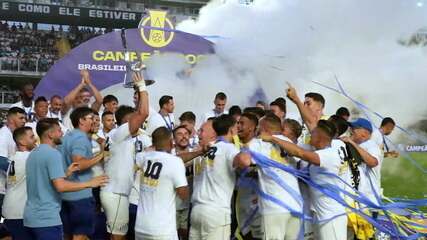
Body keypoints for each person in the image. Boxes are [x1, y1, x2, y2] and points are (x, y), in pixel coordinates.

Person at [259, 120, 348, 240]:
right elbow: (295, 147)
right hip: (320, 215)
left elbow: (299, 152)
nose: (310, 135)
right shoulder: (318, 150)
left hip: (332, 217)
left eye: (314, 133)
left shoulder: (329, 154)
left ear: (320, 137)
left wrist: (273, 138)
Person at [23, 118, 108, 240]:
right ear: (50, 134)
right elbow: (60, 186)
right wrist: (89, 183)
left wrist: (66, 173)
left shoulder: (34, 153)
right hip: (46, 220)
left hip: (30, 218)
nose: (62, 133)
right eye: (58, 131)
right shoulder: (53, 154)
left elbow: (44, 180)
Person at [235, 114, 303, 240]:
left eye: (259, 128)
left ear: (264, 128)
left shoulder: (259, 142)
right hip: (295, 206)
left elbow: (244, 161)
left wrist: (240, 155)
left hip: (274, 208)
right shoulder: (287, 142)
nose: (257, 132)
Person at [101, 72, 149, 240]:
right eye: (133, 120)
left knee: (117, 236)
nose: (138, 122)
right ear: (126, 122)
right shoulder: (119, 133)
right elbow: (143, 113)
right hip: (116, 193)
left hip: (117, 192)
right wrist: (142, 86)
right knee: (117, 237)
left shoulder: (123, 137)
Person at [190, 114, 239, 240]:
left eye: (202, 130)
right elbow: (243, 162)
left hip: (197, 211)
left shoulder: (201, 151)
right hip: (216, 212)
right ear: (232, 130)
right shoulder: (229, 148)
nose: (199, 133)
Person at [59, 107, 106, 240]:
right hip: (79, 196)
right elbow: (78, 164)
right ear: (81, 121)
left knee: (68, 234)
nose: (94, 122)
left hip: (66, 195)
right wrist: (100, 156)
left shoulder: (68, 135)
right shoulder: (80, 138)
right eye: (91, 118)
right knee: (80, 235)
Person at [135, 127, 189, 239]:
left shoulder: (143, 158)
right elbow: (183, 194)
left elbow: (142, 155)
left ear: (153, 143)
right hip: (162, 229)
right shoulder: (175, 162)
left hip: (141, 227)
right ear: (171, 142)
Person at [2, 127, 36, 240]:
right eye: (31, 137)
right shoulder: (28, 157)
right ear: (22, 142)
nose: (35, 139)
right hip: (19, 212)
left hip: (11, 210)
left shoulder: (14, 158)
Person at [0, 107, 26, 216]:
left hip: (9, 187)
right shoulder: (3, 135)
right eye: (21, 118)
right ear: (10, 120)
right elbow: (1, 160)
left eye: (25, 118)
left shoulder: (15, 135)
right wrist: (16, 175)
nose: (24, 121)